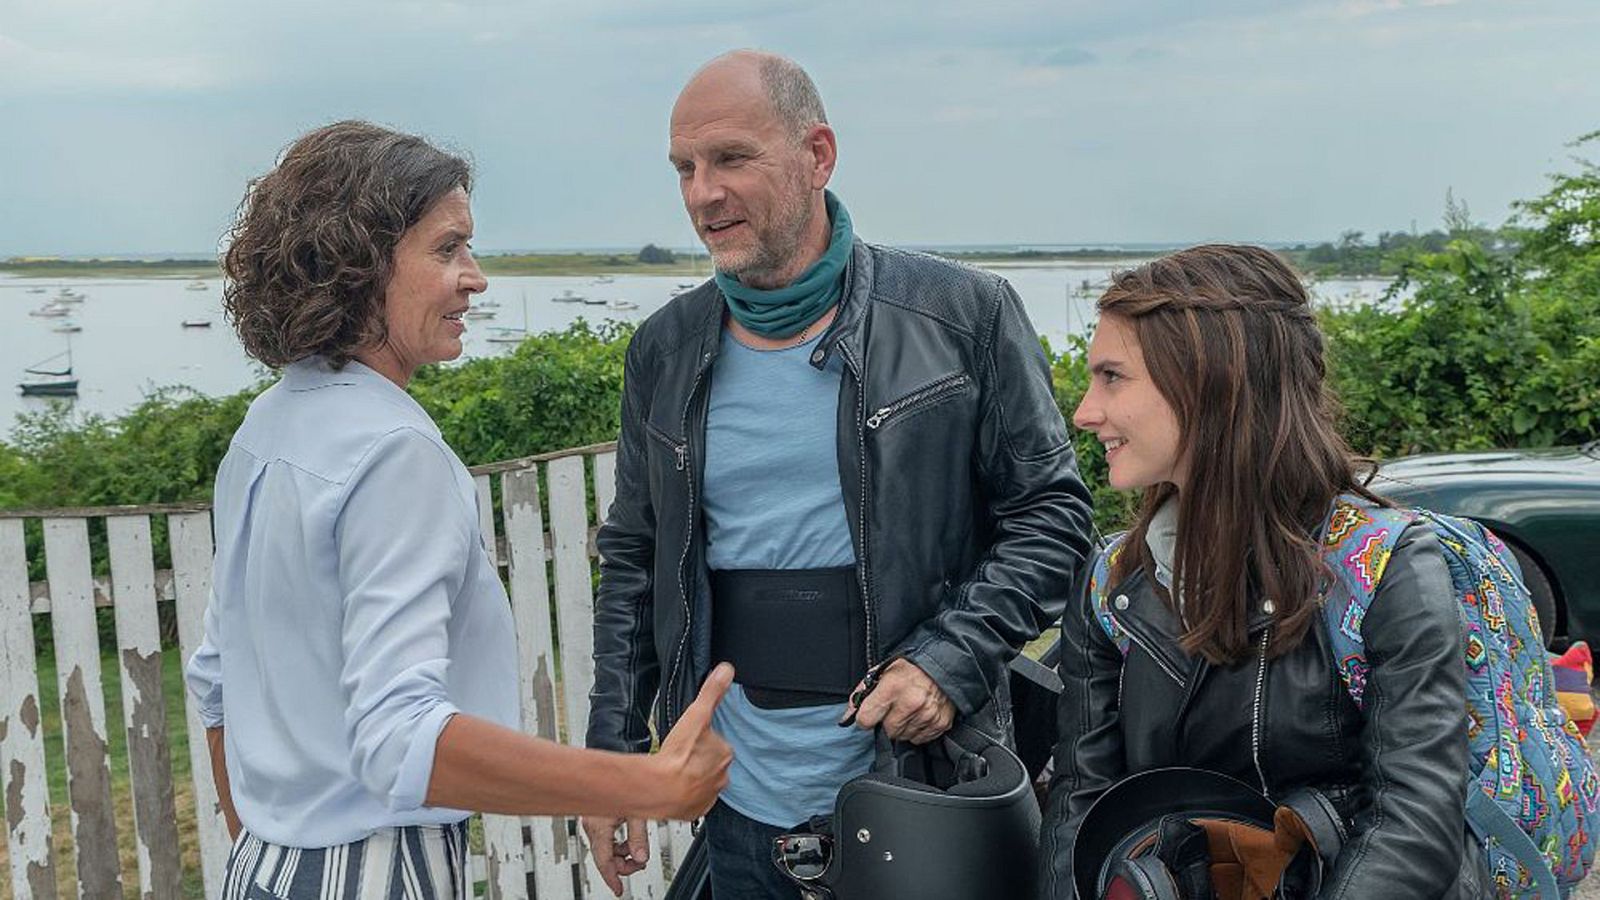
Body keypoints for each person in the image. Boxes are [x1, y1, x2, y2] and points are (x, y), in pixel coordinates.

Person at [583, 51, 1095, 898]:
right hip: (740, 807)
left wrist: (948, 659)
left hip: (925, 792)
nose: (702, 193)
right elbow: (634, 558)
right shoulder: (665, 351)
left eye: (732, 158)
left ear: (818, 156)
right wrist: (611, 757)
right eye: (685, 168)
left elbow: (1052, 516)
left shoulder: (962, 315)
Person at [184, 120, 733, 898]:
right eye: (447, 249)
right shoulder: (393, 450)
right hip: (375, 870)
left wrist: (270, 848)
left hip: (265, 868)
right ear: (359, 264)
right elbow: (399, 739)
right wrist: (635, 784)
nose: (475, 277)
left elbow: (214, 681)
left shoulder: (266, 425)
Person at [1038, 244, 1488, 898]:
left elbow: (1414, 819)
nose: (1084, 411)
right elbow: (1083, 799)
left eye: (1112, 377)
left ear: (1209, 381)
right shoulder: (1114, 583)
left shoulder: (1384, 569)